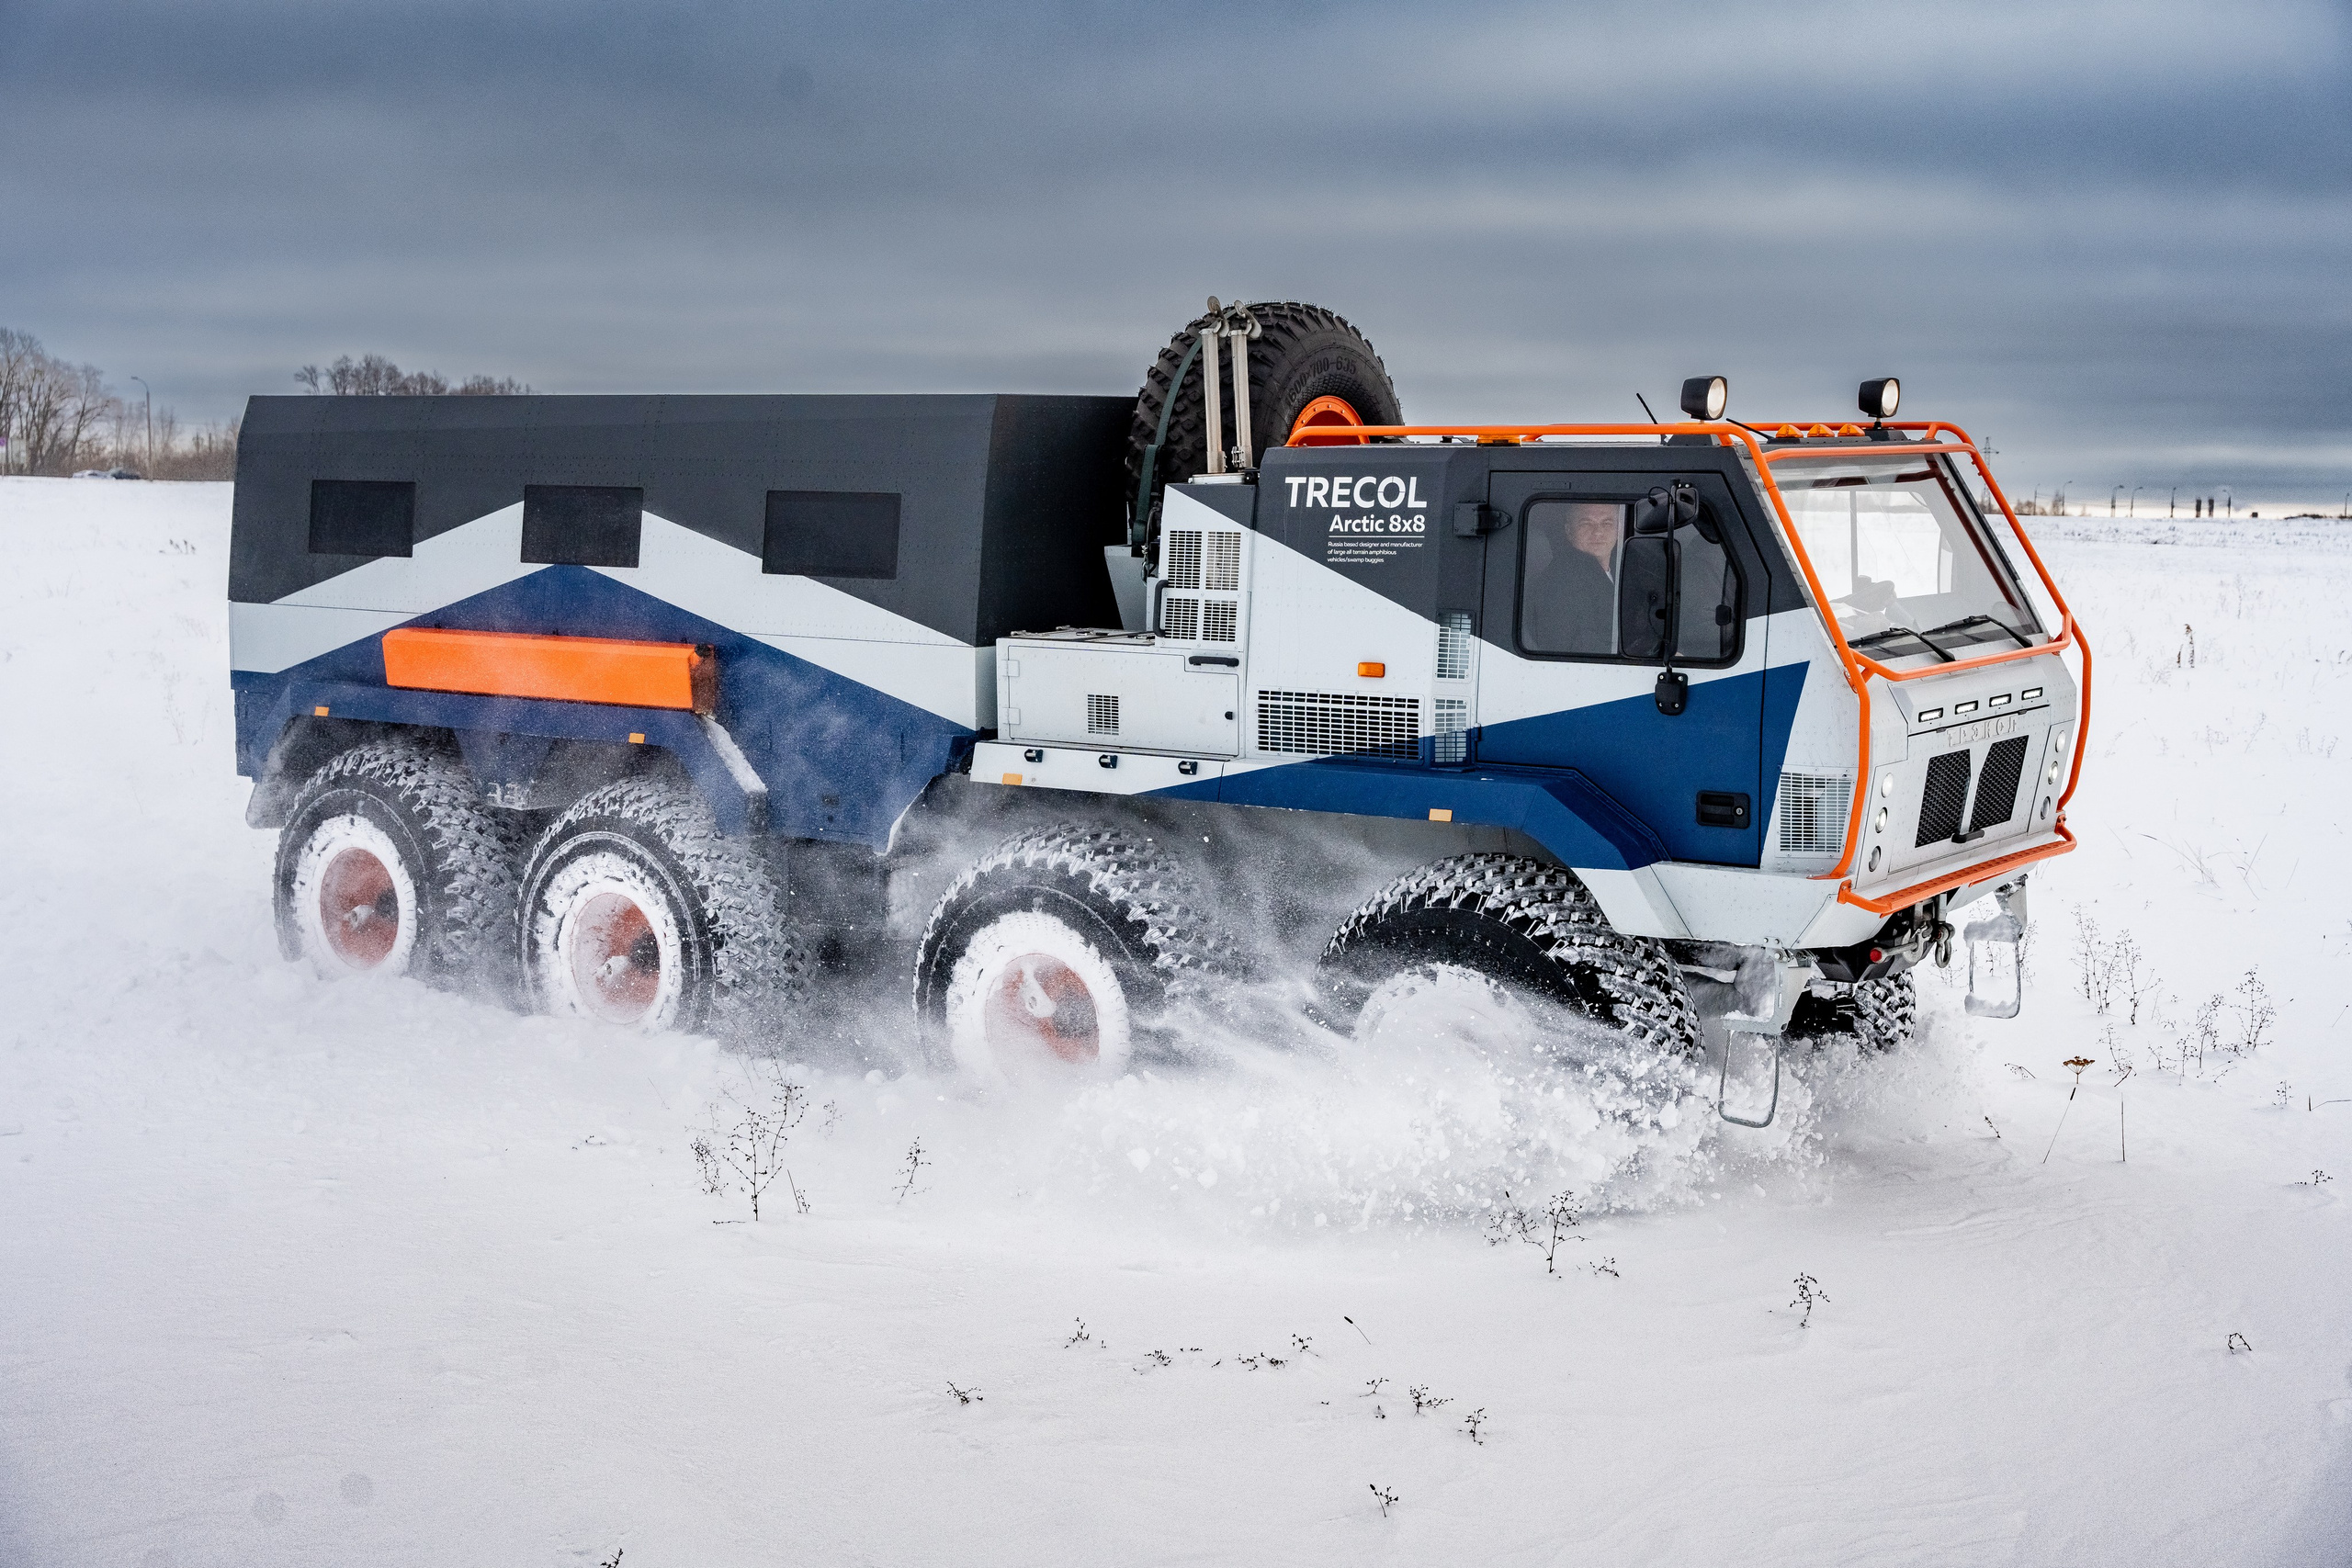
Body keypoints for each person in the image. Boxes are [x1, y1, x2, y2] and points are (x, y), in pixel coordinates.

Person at [1521, 502, 1621, 655]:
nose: (1598, 532)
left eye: (1607, 523)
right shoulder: (1558, 584)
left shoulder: (1621, 569)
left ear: (1619, 529)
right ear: (1569, 531)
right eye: (1586, 524)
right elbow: (1574, 649)